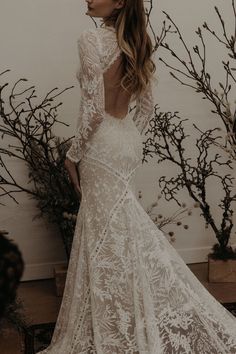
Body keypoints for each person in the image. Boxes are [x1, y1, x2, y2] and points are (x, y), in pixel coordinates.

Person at [37, 0, 236, 353]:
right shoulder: (137, 41)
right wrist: (127, 136)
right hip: (124, 140)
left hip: (101, 144)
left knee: (105, 231)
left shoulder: (90, 39)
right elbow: (146, 106)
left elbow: (94, 108)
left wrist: (73, 154)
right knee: (119, 229)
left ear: (118, 2)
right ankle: (125, 311)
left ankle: (118, 318)